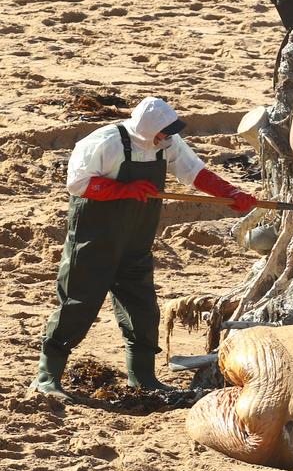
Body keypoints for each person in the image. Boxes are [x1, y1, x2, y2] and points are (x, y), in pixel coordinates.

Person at [30, 97, 257, 399]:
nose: (167, 138)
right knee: (77, 305)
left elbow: (195, 172)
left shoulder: (167, 143)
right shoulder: (104, 143)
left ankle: (143, 378)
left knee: (143, 310)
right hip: (94, 240)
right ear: (148, 128)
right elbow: (78, 184)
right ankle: (47, 378)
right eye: (163, 132)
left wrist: (231, 193)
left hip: (135, 242)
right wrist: (124, 190)